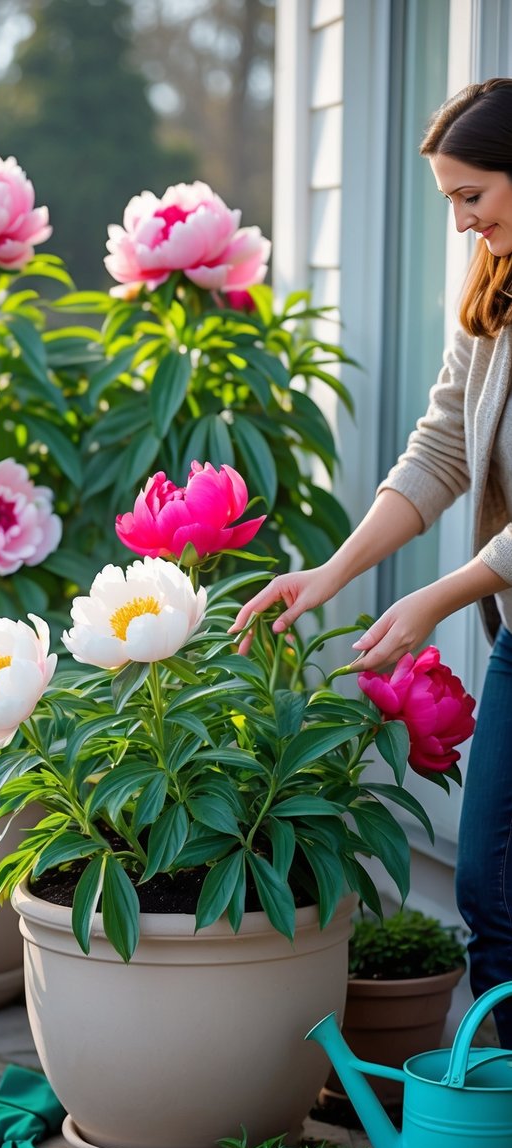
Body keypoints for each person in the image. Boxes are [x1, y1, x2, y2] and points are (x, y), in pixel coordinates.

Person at [231, 77, 512, 1048]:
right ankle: (496, 1113)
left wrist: (444, 591)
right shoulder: (496, 292)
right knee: (490, 883)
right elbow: (439, 450)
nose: (460, 220)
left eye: (469, 195)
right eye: (449, 202)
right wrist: (330, 575)